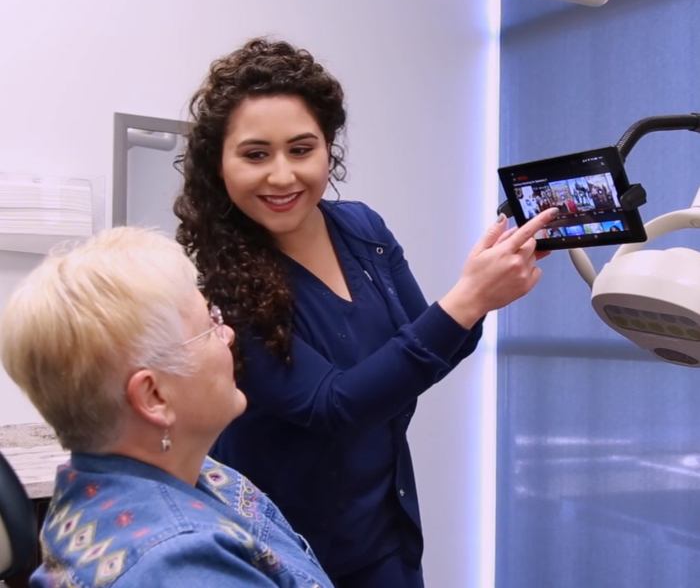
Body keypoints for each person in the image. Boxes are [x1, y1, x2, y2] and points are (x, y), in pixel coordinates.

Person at [174, 37, 558, 588]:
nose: (282, 175)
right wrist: (467, 300)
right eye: (256, 154)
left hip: (385, 534)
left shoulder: (361, 228)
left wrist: (484, 285)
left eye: (301, 149)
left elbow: (433, 350)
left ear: (329, 148)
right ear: (220, 164)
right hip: (283, 553)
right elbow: (335, 406)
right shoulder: (223, 284)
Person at [0, 227, 333, 588]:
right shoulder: (181, 569)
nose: (229, 335)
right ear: (153, 396)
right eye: (210, 326)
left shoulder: (175, 474)